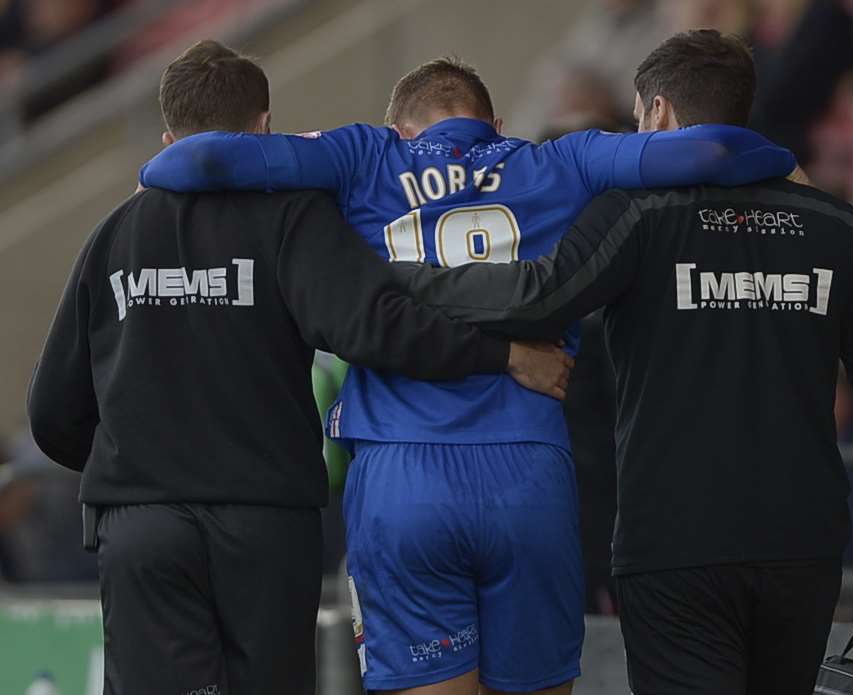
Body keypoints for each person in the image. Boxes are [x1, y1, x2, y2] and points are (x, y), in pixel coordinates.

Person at [139, 55, 797, 695]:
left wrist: (154, 166)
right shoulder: (555, 159)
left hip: (403, 473)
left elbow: (206, 157)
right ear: (497, 126)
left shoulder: (366, 153)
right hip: (527, 471)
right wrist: (780, 161)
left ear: (400, 126)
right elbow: (709, 153)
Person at [392, 30, 853, 695]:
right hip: (801, 545)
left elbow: (536, 300)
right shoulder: (835, 224)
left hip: (674, 545)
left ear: (657, 114)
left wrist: (407, 278)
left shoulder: (637, 213)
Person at [26, 41, 570, 695]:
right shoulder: (292, 218)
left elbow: (52, 412)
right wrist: (502, 355)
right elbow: (377, 329)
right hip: (265, 520)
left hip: (143, 525)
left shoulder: (114, 233)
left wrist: (138, 467)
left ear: (169, 138)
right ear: (263, 129)